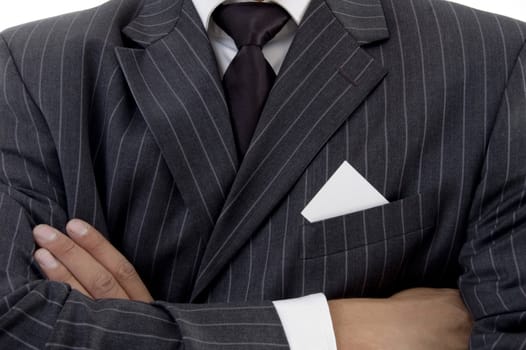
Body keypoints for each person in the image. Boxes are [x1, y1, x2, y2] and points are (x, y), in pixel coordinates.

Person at [0, 0, 524, 348]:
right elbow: (15, 321)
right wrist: (330, 331)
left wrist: (125, 335)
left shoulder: (496, 61)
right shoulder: (32, 65)